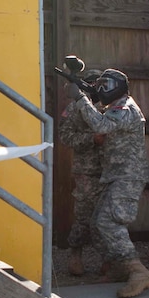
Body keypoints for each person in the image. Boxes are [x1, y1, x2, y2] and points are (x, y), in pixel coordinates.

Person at [74, 68, 149, 298]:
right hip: (115, 176)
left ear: (118, 87)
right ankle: (120, 269)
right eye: (99, 85)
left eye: (105, 85)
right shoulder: (113, 107)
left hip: (128, 176)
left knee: (109, 222)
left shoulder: (125, 108)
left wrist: (81, 98)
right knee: (96, 224)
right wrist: (88, 92)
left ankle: (138, 272)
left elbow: (101, 126)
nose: (101, 89)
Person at [58, 68, 103, 276]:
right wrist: (89, 139)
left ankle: (108, 260)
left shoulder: (109, 108)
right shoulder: (74, 108)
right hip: (86, 171)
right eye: (92, 84)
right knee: (84, 216)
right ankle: (75, 255)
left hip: (110, 170)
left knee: (108, 217)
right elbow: (65, 136)